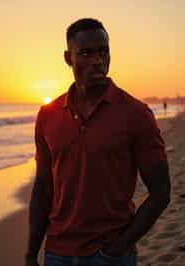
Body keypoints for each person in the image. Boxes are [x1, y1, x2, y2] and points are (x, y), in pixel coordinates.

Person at [25, 18, 171, 266]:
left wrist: (120, 247)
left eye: (103, 52)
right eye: (86, 53)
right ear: (68, 58)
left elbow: (161, 191)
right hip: (57, 253)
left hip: (111, 255)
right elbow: (43, 187)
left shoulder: (136, 114)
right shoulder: (48, 116)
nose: (97, 61)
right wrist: (31, 253)